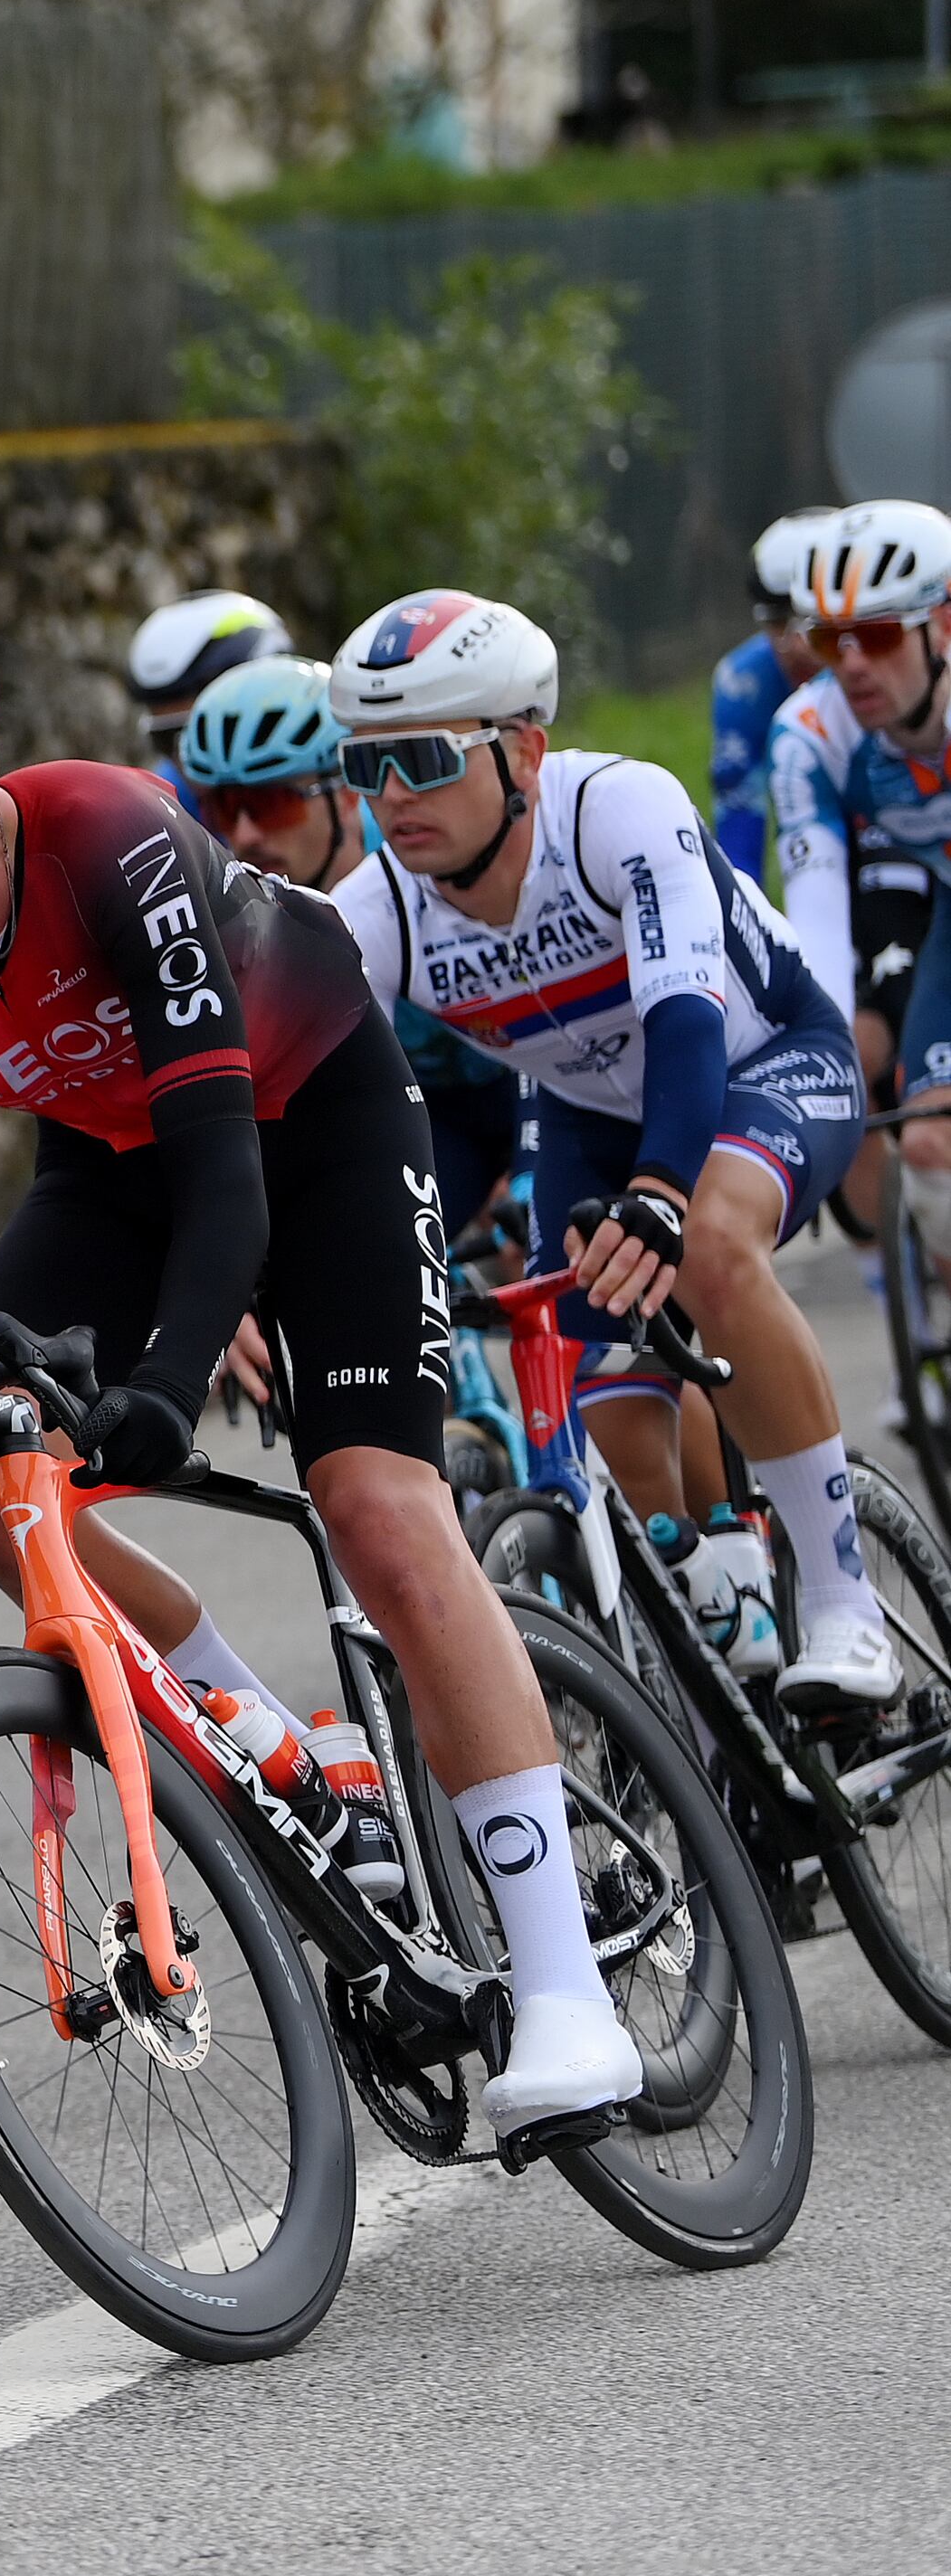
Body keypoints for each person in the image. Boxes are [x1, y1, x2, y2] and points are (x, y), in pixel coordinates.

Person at [0, 591, 645, 2139]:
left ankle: (565, 1991)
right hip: (116, 1160)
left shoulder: (112, 835)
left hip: (311, 1111)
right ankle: (277, 1747)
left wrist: (166, 1372)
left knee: (377, 1505)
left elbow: (231, 1181)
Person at [328, 589, 889, 1708]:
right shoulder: (375, 909)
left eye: (424, 759)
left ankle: (844, 1604)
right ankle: (718, 1629)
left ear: (523, 751)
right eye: (364, 766)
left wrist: (662, 1191)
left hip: (762, 1060)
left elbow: (683, 1022)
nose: (391, 797)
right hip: (585, 1114)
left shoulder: (615, 812)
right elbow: (318, 1111)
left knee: (711, 1250)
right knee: (595, 1388)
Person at [179, 656, 523, 1237]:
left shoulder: (429, 864)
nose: (244, 836)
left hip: (534, 1084)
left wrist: (531, 1170)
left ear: (344, 797)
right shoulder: (242, 916)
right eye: (223, 810)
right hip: (430, 1110)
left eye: (273, 804)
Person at [773, 502, 951, 1257]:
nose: (850, 665)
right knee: (929, 1149)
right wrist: (828, 1060)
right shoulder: (810, 735)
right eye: (829, 639)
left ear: (942, 626)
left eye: (876, 635)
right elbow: (815, 913)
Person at [708, 508, 837, 888]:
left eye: (811, 618)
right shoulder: (743, 684)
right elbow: (739, 831)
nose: (796, 644)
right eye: (778, 622)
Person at [128, 590, 291, 796]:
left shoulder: (326, 779)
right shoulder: (166, 796)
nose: (184, 761)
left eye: (203, 736)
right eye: (164, 740)